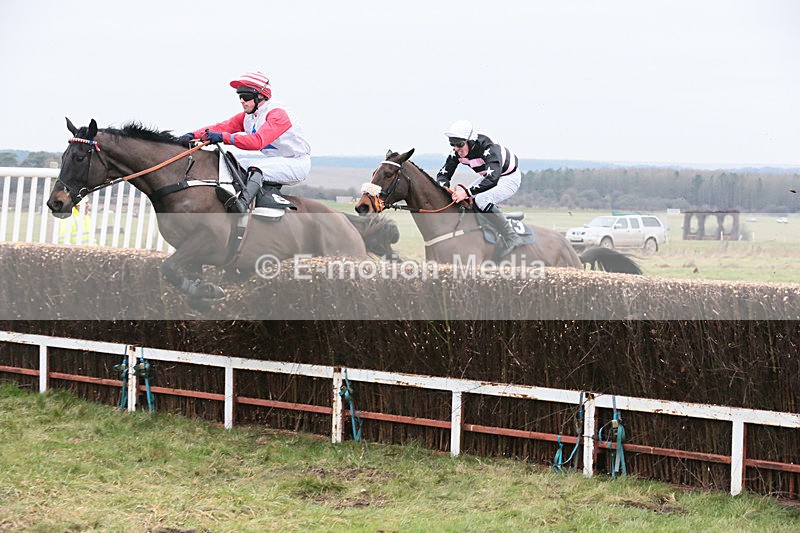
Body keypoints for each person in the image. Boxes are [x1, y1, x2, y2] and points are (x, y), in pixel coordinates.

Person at [181, 71, 311, 213]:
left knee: (255, 167)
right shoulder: (250, 116)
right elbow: (223, 127)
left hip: (296, 163)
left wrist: (223, 138)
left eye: (246, 96)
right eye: (240, 96)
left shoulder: (278, 114)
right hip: (274, 161)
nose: (242, 100)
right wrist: (193, 135)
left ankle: (241, 204)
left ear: (261, 96)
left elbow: (257, 142)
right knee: (233, 164)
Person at [436, 119, 524, 252]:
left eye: (459, 144)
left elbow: (492, 179)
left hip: (508, 177)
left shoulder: (488, 147)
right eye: (452, 144)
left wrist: (465, 192)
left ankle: (511, 236)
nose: (456, 149)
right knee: (467, 200)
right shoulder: (457, 152)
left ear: (470, 141)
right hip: (489, 177)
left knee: (481, 199)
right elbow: (443, 175)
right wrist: (445, 189)